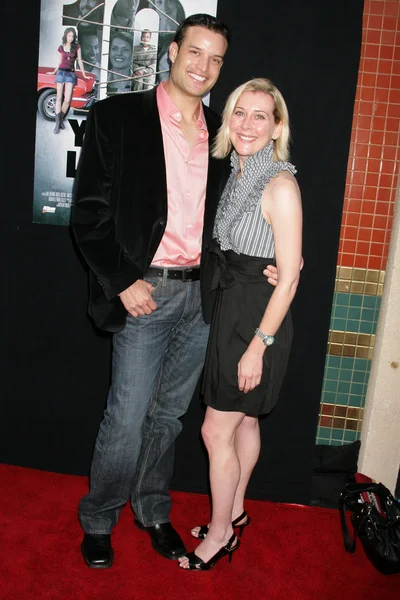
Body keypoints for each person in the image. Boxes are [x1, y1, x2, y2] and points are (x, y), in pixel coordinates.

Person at [71, 13, 231, 570]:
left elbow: (231, 219)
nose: (204, 67)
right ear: (171, 50)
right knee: (128, 415)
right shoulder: (117, 118)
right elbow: (88, 215)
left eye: (215, 59)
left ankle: (153, 510)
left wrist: (279, 260)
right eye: (195, 53)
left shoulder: (222, 135)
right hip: (146, 292)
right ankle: (99, 517)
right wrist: (122, 281)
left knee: (168, 417)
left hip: (201, 300)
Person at [178, 78, 303, 571]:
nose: (248, 124)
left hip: (255, 320)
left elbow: (288, 276)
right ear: (228, 120)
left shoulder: (279, 183)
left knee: (214, 431)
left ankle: (221, 532)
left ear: (277, 128)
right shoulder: (238, 171)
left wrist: (258, 345)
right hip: (234, 305)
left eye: (260, 116)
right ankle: (234, 510)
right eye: (240, 113)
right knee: (245, 419)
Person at [47, 27, 90, 134]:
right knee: (58, 98)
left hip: (70, 74)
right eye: (69, 35)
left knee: (67, 99)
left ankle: (60, 119)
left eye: (72, 36)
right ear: (66, 35)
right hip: (61, 73)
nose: (71, 38)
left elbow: (79, 61)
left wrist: (84, 74)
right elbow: (59, 61)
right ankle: (58, 124)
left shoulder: (77, 47)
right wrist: (53, 72)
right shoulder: (61, 47)